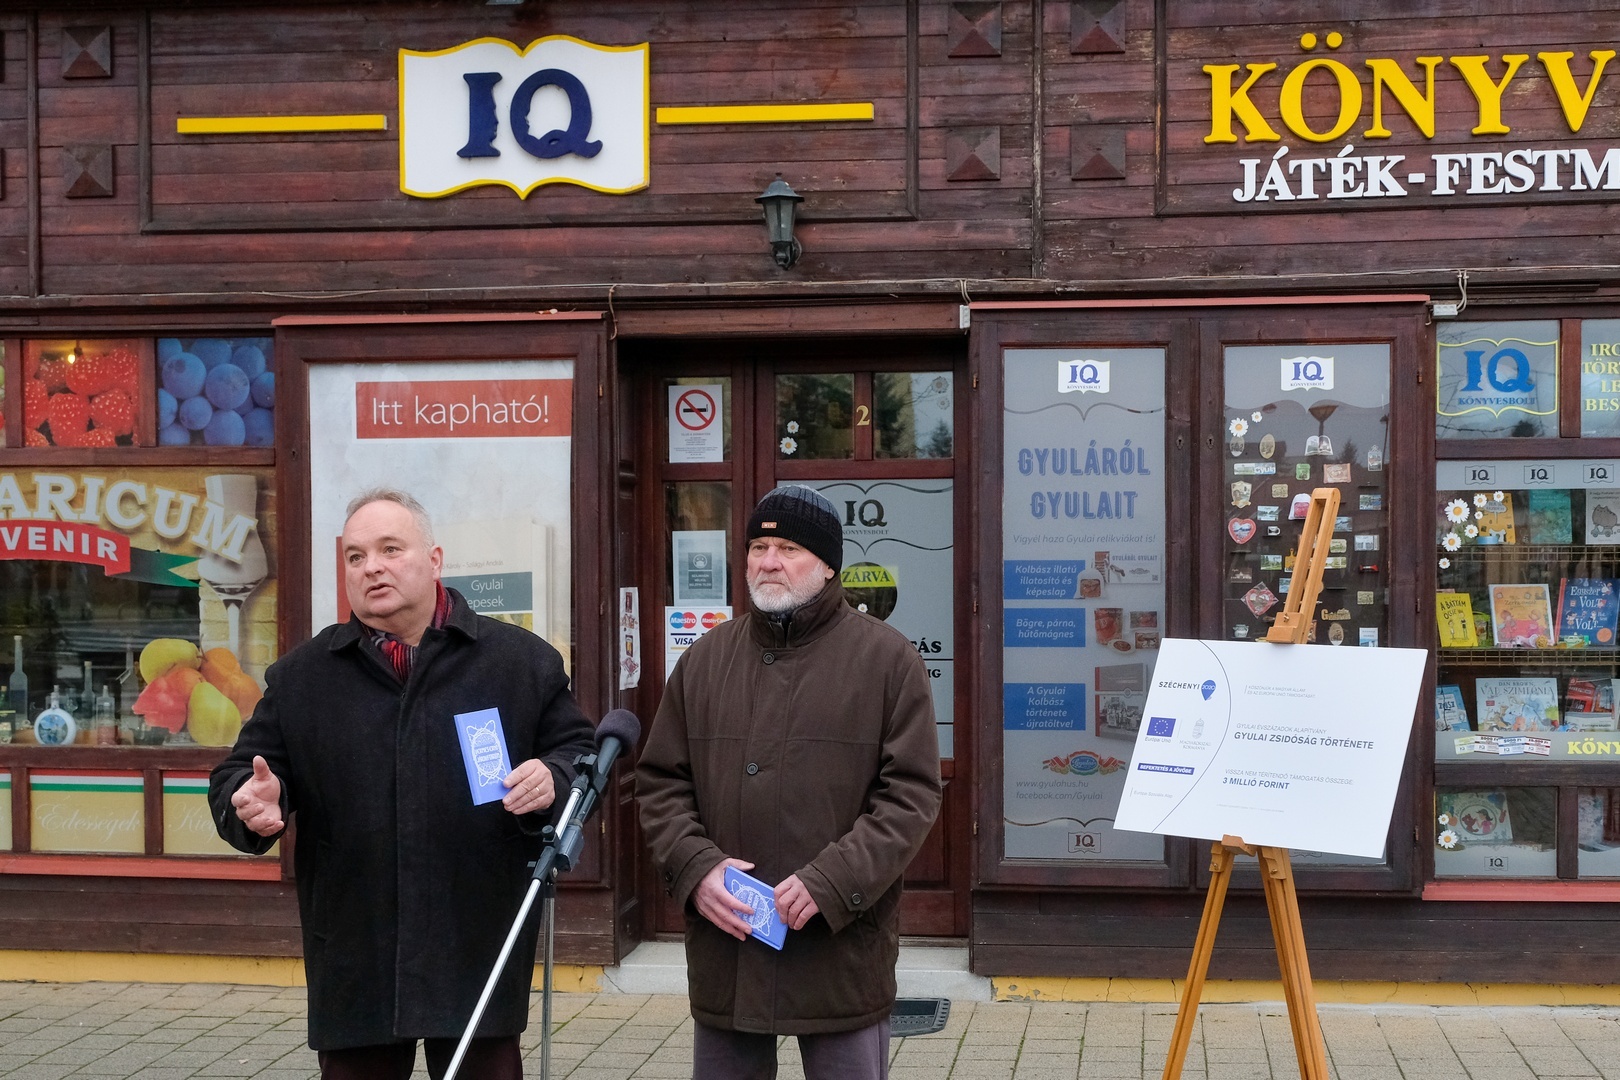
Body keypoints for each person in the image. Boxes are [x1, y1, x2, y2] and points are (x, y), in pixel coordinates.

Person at [209, 488, 596, 1080]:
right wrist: (250, 801)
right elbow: (239, 776)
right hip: (357, 947)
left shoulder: (517, 662)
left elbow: (580, 755)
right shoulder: (303, 678)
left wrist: (554, 778)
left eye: (391, 549)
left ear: (435, 560)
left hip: (476, 940)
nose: (372, 567)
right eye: (356, 556)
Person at [636, 485, 942, 1080]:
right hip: (729, 945)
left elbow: (910, 796)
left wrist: (833, 881)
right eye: (758, 547)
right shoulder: (703, 660)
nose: (768, 561)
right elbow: (660, 783)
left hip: (837, 946)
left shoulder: (888, 660)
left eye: (788, 549)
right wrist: (696, 869)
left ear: (829, 566)